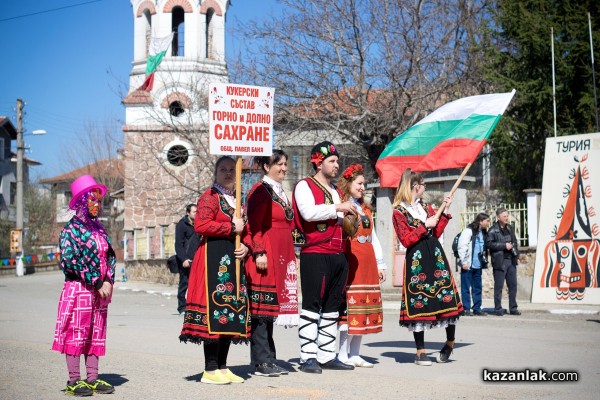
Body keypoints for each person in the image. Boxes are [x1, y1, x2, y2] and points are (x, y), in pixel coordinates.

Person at [179, 156, 251, 385]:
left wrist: (247, 246)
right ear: (216, 172)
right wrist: (231, 227)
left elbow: (246, 230)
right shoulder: (209, 197)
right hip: (213, 259)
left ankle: (222, 365)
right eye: (223, 169)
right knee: (215, 310)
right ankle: (210, 368)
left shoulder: (238, 200)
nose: (228, 173)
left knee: (231, 310)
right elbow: (201, 225)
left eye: (232, 169)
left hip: (233, 259)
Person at [292, 141, 357, 374]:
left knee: (332, 307)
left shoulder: (336, 191)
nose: (336, 165)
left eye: (337, 161)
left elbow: (339, 217)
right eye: (332, 161)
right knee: (312, 305)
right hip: (316, 252)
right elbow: (308, 213)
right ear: (318, 162)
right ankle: (308, 357)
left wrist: (351, 218)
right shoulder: (304, 186)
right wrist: (339, 208)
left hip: (338, 254)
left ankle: (327, 355)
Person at [52, 174, 116, 396]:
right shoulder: (70, 230)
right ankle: (74, 380)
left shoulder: (99, 229)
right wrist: (96, 280)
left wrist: (107, 280)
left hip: (100, 290)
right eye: (93, 200)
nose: (98, 205)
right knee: (76, 331)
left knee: (95, 331)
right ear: (81, 201)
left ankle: (92, 378)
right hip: (79, 288)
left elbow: (108, 257)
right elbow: (69, 260)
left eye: (100, 201)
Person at [391, 169, 463, 366]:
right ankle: (420, 351)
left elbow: (437, 231)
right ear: (416, 186)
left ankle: (450, 342)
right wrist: (424, 226)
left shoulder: (426, 207)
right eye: (424, 185)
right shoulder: (399, 212)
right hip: (417, 260)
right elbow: (405, 240)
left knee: (445, 297)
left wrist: (445, 210)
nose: (424, 188)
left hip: (435, 255)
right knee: (419, 301)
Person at [245, 149, 298, 377]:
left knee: (270, 311)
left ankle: (269, 358)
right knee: (261, 310)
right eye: (279, 164)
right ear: (266, 167)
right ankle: (261, 362)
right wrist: (259, 252)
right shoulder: (260, 191)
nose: (284, 168)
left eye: (286, 164)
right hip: (265, 255)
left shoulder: (279, 191)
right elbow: (253, 226)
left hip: (281, 256)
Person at [336, 164, 386, 368]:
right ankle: (341, 354)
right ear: (349, 184)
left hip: (367, 261)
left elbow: (373, 237)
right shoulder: (342, 206)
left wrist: (380, 263)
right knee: (350, 308)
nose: (363, 187)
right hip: (351, 259)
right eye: (359, 183)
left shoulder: (366, 209)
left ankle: (355, 353)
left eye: (364, 184)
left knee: (364, 308)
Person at [486, 207, 520, 316]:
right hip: (500, 261)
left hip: (511, 261)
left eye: (507, 216)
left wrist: (516, 255)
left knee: (513, 285)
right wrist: (503, 246)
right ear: (498, 217)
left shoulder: (509, 228)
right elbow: (489, 244)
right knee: (499, 286)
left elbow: (514, 242)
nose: (507, 218)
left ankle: (513, 308)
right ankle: (498, 308)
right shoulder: (493, 230)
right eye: (504, 216)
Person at [457, 213, 491, 316]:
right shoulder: (468, 231)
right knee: (466, 288)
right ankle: (466, 308)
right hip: (468, 264)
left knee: (477, 287)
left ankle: (477, 308)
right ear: (481, 221)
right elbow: (462, 246)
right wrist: (463, 262)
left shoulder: (483, 232)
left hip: (478, 265)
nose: (488, 223)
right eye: (487, 221)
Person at [175, 203, 200, 315]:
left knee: (198, 283)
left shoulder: (199, 224)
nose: (196, 214)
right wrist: (184, 259)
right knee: (184, 283)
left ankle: (195, 305)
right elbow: (178, 245)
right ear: (188, 213)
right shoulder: (182, 225)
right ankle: (182, 306)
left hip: (198, 258)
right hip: (186, 260)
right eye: (194, 212)